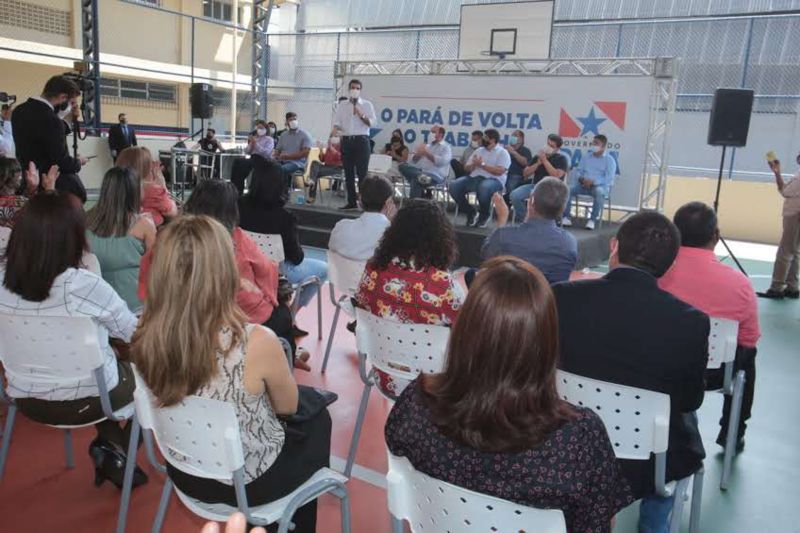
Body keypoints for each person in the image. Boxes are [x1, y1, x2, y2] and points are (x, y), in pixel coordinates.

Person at [386, 257, 633, 532]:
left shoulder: (415, 403)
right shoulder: (578, 438)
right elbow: (598, 524)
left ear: (465, 329)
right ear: (546, 339)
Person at [132, 215, 329, 533]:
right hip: (247, 484)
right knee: (317, 416)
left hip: (184, 470)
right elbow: (288, 407)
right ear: (224, 272)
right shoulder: (256, 341)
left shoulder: (142, 335)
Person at [553, 211, 709, 532]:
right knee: (680, 437)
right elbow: (690, 399)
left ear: (614, 246)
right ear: (670, 265)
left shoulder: (561, 296)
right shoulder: (690, 321)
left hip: (569, 441)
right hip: (648, 462)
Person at [0, 193, 146, 489]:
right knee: (147, 374)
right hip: (91, 399)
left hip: (25, 398)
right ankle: (116, 450)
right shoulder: (83, 285)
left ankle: (110, 448)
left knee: (99, 365)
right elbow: (134, 333)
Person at [659, 201, 760, 450]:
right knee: (748, 359)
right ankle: (732, 432)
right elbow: (749, 339)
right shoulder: (740, 284)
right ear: (715, 236)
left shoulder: (657, 273)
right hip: (715, 374)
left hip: (661, 366)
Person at [354, 199, 463, 394]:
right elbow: (467, 331)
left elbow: (360, 305)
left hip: (384, 376)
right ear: (440, 238)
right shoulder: (443, 286)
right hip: (435, 388)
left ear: (395, 233)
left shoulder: (372, 270)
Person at [238, 158, 328, 311]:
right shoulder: (285, 217)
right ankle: (292, 314)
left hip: (244, 266)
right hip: (277, 272)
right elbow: (297, 257)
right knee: (324, 269)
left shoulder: (238, 206)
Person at [86, 167, 157, 313]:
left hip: (97, 306)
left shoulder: (85, 221)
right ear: (134, 192)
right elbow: (157, 269)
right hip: (136, 309)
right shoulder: (144, 225)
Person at [481, 177, 577, 285]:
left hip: (508, 298)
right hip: (548, 300)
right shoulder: (569, 243)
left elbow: (487, 260)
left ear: (531, 201)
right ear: (563, 209)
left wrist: (501, 220)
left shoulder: (504, 236)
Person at [11, 75, 88, 202]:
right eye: (70, 102)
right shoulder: (52, 121)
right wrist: (78, 162)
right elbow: (61, 162)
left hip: (27, 181)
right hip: (50, 187)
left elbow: (41, 134)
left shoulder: (18, 111)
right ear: (63, 97)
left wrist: (65, 119)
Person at [448, 129, 511, 228]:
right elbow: (466, 168)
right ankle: (470, 212)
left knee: (484, 187)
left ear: (493, 140)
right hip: (475, 177)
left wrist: (482, 165)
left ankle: (484, 215)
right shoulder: (478, 151)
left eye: (485, 138)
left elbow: (500, 171)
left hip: (494, 180)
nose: (483, 140)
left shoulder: (503, 152)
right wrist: (473, 165)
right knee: (453, 186)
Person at [759, 151, 800, 299]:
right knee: (794, 252)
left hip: (795, 216)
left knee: (785, 252)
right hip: (795, 216)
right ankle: (792, 286)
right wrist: (777, 173)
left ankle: (777, 287)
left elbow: (784, 192)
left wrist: (777, 174)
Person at [328, 175, 395, 261]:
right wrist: (393, 223)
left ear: (360, 200)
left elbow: (331, 249)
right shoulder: (393, 235)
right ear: (389, 202)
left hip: (340, 274)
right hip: (372, 274)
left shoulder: (341, 227)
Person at [333, 79, 377, 210]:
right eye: (352, 87)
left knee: (362, 174)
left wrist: (361, 114)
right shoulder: (342, 105)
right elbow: (337, 122)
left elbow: (372, 124)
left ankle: (364, 203)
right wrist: (335, 130)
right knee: (348, 173)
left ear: (360, 90)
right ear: (348, 89)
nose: (355, 90)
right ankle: (351, 202)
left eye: (357, 88)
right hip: (347, 141)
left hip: (361, 141)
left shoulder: (367, 105)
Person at [510, 133, 569, 222]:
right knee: (514, 195)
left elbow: (556, 175)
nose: (548, 146)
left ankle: (544, 224)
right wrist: (537, 164)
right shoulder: (538, 157)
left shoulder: (561, 159)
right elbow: (525, 173)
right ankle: (527, 220)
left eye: (551, 146)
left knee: (541, 201)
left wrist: (545, 161)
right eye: (547, 144)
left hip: (553, 189)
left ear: (557, 149)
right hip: (535, 186)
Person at [562, 134, 616, 230]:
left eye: (596, 143)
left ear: (603, 146)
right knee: (567, 189)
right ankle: (566, 217)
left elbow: (609, 178)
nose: (593, 145)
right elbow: (578, 171)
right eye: (593, 143)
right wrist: (581, 179)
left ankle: (592, 220)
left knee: (599, 192)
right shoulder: (586, 157)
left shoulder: (610, 160)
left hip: (599, 187)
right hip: (582, 185)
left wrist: (594, 182)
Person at [116, 146, 178, 227]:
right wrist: (163, 187)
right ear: (146, 168)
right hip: (152, 232)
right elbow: (172, 212)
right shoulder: (152, 190)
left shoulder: (116, 187)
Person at [0, 158, 57, 228]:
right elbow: (44, 215)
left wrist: (32, 189)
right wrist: (49, 189)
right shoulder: (15, 202)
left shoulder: (13, 201)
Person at [398, 125, 452, 199]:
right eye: (431, 132)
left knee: (416, 181)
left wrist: (426, 153)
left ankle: (415, 205)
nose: (431, 134)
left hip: (435, 176)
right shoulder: (427, 146)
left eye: (433, 132)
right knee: (402, 165)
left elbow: (441, 162)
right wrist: (417, 155)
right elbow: (412, 162)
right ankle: (421, 178)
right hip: (421, 172)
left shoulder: (446, 147)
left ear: (440, 134)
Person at [231, 119, 275, 196]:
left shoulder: (269, 139)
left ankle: (241, 189)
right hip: (253, 158)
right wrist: (251, 144)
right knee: (237, 161)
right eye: (258, 128)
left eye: (261, 128)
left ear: (265, 129)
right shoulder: (255, 138)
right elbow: (247, 151)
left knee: (244, 164)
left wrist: (256, 144)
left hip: (262, 159)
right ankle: (236, 187)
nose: (259, 130)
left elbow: (266, 153)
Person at [273, 112, 312, 189]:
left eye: (295, 119)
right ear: (287, 122)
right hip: (283, 160)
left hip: (297, 163)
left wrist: (288, 157)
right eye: (291, 120)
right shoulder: (284, 135)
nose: (293, 121)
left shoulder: (305, 135)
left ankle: (284, 193)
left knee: (281, 170)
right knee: (268, 167)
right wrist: (274, 157)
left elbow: (305, 153)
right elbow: (278, 150)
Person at [307, 132, 343, 202]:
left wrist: (332, 149)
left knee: (314, 174)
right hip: (326, 167)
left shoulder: (343, 146)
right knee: (314, 163)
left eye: (336, 136)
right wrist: (320, 150)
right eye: (332, 136)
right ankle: (312, 182)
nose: (334, 138)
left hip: (337, 168)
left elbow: (340, 157)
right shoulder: (330, 146)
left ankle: (312, 196)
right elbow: (322, 159)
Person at [503, 129, 533, 197]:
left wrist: (513, 152)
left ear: (521, 139)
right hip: (502, 173)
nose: (513, 137)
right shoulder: (505, 150)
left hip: (516, 175)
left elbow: (525, 163)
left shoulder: (525, 150)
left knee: (512, 182)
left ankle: (508, 202)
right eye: (512, 135)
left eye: (515, 135)